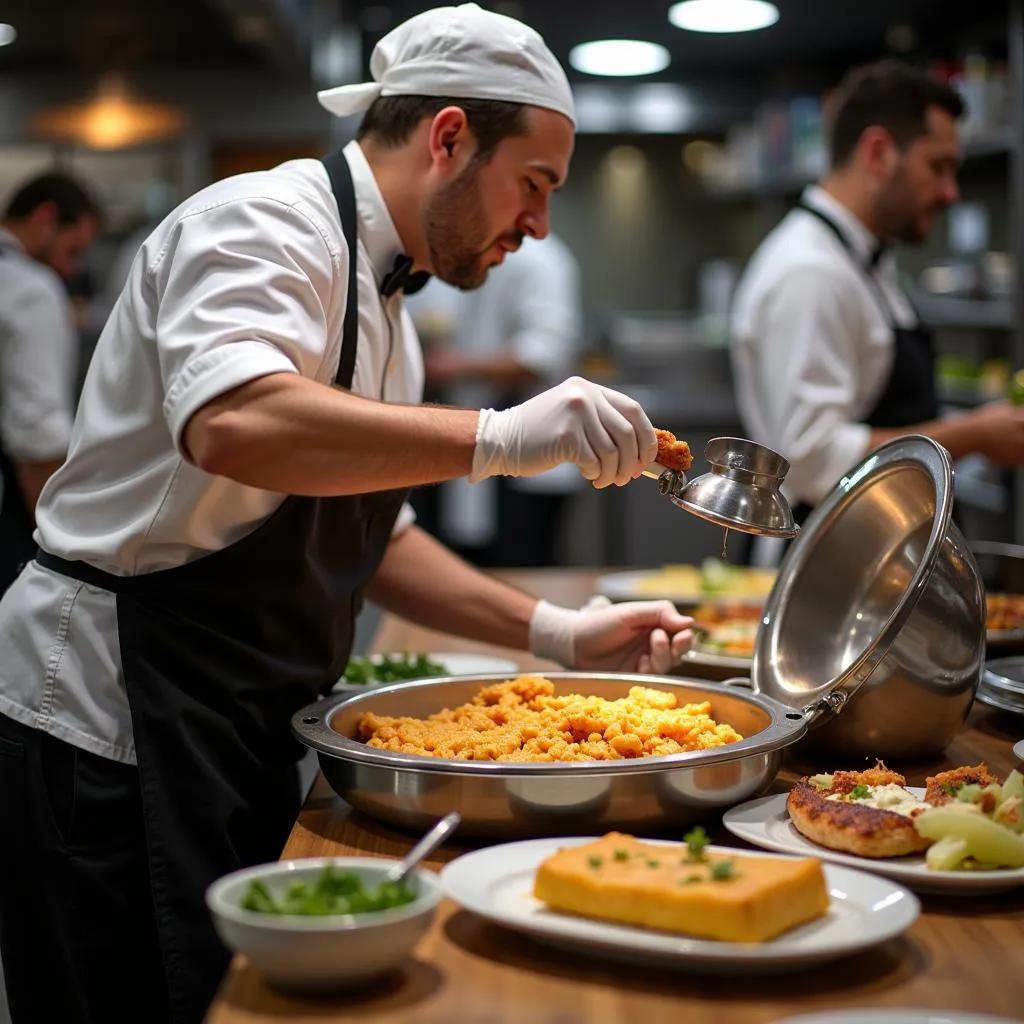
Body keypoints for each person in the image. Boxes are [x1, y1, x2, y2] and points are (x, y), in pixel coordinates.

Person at [0, 6, 694, 1024]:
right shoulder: (259, 223)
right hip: (104, 727)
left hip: (222, 721)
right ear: (448, 137)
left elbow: (376, 534)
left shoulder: (392, 311)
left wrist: (552, 632)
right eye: (534, 186)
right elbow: (233, 423)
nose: (539, 226)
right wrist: (497, 435)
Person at [730, 59, 1024, 527]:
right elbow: (811, 461)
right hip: (828, 564)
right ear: (879, 153)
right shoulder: (811, 272)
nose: (951, 193)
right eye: (939, 166)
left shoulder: (860, 259)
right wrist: (973, 435)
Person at [409, 232, 584, 566]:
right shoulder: (458, 254)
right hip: (472, 451)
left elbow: (544, 355)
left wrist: (455, 367)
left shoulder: (541, 260)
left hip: (534, 465)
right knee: (464, 569)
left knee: (522, 570)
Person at [0, 172, 100, 591]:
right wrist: (66, 549)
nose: (69, 267)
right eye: (71, 249)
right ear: (45, 219)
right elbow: (36, 433)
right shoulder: (31, 288)